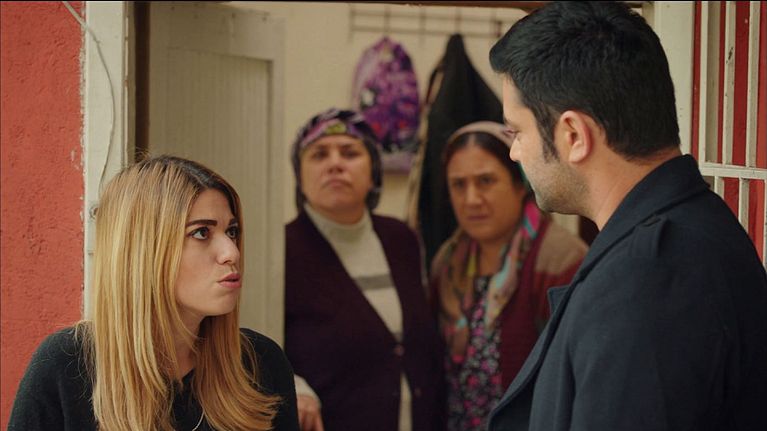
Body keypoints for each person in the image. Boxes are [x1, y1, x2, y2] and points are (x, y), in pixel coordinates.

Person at [487, 2, 767, 430]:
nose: (514, 152)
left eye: (517, 131)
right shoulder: (679, 233)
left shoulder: (648, 280)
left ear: (574, 135)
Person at [8, 155, 300, 431]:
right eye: (201, 232)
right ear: (143, 250)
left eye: (231, 231)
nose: (232, 252)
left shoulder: (260, 363)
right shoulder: (66, 365)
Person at [284, 108, 444, 431]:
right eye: (319, 154)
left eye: (350, 153)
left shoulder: (402, 239)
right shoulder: (282, 250)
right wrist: (294, 387)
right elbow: (253, 347)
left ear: (373, 173)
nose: (335, 164)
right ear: (300, 177)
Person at [430, 121, 587, 431]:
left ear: (519, 184)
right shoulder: (447, 263)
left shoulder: (561, 261)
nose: (471, 199)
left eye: (486, 181)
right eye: (458, 185)